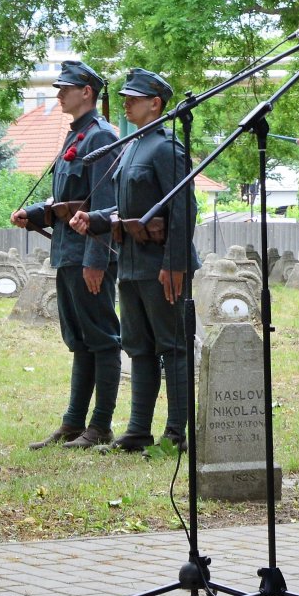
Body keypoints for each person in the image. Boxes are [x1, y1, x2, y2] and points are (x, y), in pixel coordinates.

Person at [71, 69, 197, 452]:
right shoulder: (132, 146)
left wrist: (174, 263)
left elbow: (183, 206)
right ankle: (138, 431)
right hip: (130, 264)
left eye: (134, 97)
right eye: (125, 96)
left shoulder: (165, 146)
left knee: (173, 347)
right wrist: (94, 218)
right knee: (138, 348)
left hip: (161, 266)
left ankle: (175, 434)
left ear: (155, 104)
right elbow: (127, 208)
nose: (125, 102)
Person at [15, 61, 123, 450]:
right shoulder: (75, 135)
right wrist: (36, 215)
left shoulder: (101, 136)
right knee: (80, 340)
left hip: (88, 256)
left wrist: (97, 259)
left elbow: (107, 207)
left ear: (87, 93)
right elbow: (67, 201)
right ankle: (73, 422)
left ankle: (101, 426)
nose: (59, 93)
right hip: (66, 252)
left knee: (103, 339)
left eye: (66, 88)